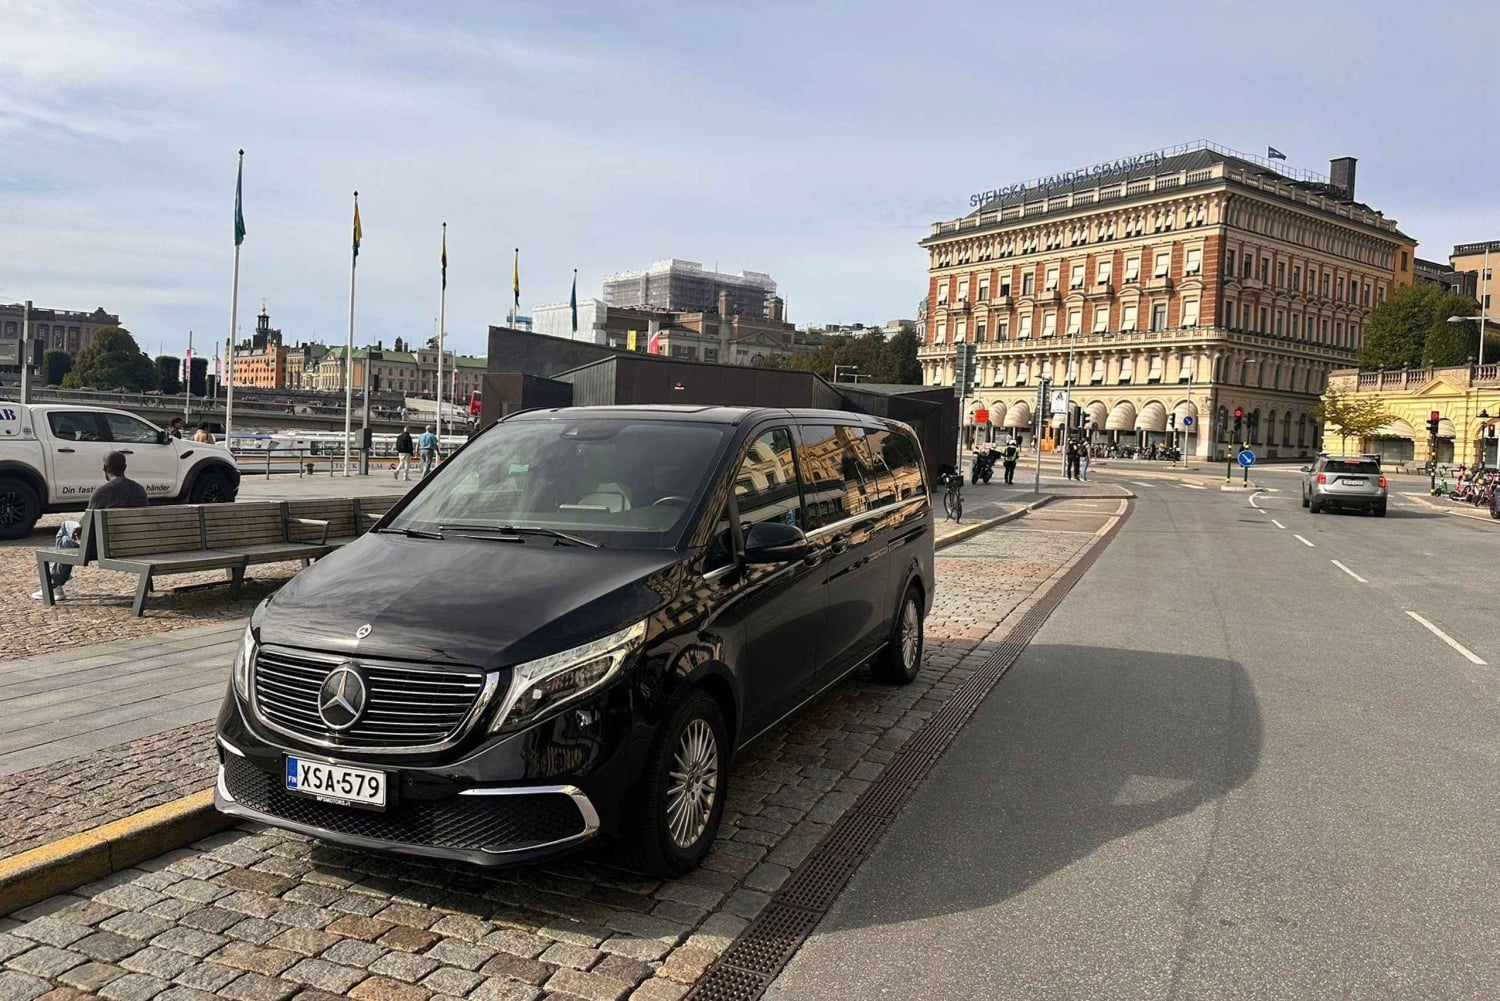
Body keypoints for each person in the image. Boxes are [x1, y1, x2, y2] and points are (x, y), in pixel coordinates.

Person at [33, 451, 150, 601]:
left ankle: (55, 584)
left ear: (105, 469)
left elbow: (87, 528)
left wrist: (79, 527)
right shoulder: (140, 491)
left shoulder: (102, 492)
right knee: (66, 539)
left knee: (64, 531)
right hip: (131, 545)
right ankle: (57, 581)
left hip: (100, 548)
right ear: (125, 467)